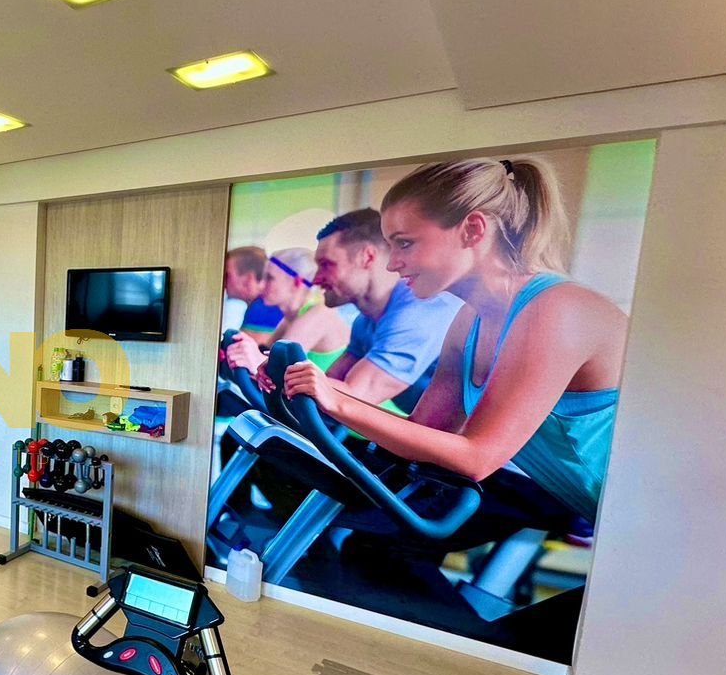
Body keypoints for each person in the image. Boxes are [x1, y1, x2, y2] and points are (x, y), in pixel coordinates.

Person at [282, 157, 626, 522]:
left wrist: (336, 400)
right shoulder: (468, 321)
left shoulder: (555, 309)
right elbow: (424, 431)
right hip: (609, 519)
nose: (392, 264)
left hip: (651, 520)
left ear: (473, 230)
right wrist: (316, 394)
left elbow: (477, 457)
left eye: (405, 243)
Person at [307, 209, 462, 413]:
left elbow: (350, 399)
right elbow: (331, 385)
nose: (315, 279)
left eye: (327, 265)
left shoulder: (416, 313)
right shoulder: (365, 322)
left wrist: (284, 376)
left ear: (367, 257)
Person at [223, 247, 349, 378]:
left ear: (296, 282)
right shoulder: (291, 318)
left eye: (270, 278)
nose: (262, 284)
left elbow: (277, 369)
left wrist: (250, 353)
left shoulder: (318, 316)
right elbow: (265, 353)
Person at [222, 246, 282, 340]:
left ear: (248, 279)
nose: (221, 281)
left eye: (227, 275)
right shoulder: (266, 305)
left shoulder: (262, 309)